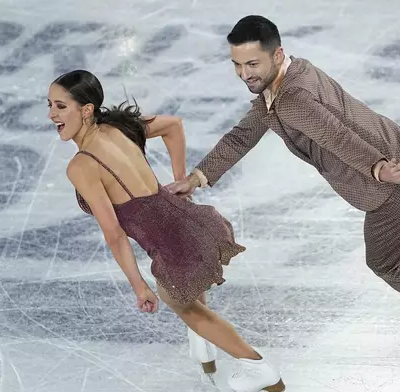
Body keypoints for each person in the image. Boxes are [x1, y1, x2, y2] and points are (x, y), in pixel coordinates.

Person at [165, 15, 400, 359]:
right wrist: (198, 177)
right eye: (237, 65)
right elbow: (243, 135)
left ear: (277, 55)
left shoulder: (292, 99)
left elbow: (336, 136)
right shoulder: (296, 72)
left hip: (399, 180)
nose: (244, 73)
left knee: (387, 262)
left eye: (252, 63)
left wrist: (377, 168)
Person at [47, 69, 285, 392]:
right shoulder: (118, 126)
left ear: (86, 110)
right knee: (188, 296)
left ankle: (258, 367)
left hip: (173, 244)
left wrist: (139, 286)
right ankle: (203, 345)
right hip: (192, 221)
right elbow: (174, 126)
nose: (52, 114)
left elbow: (115, 234)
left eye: (61, 106)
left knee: (179, 302)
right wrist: (181, 182)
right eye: (50, 105)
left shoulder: (81, 166)